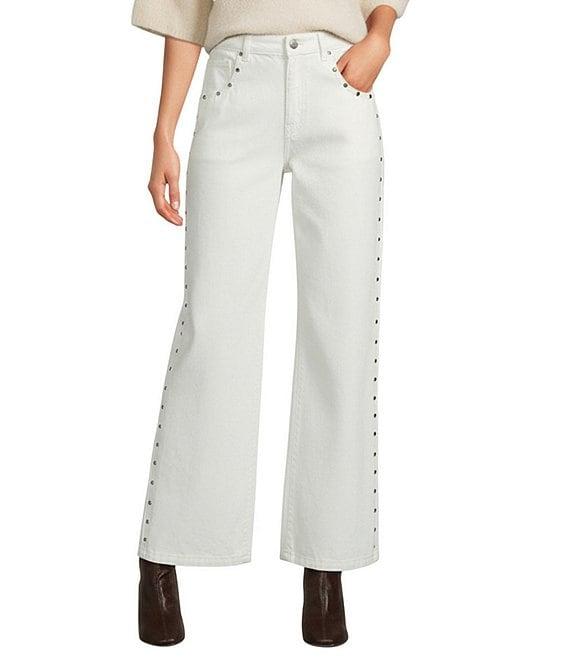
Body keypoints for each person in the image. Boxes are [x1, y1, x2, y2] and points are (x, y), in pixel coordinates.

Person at [131, 0, 409, 647]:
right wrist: (163, 131)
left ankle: (326, 564)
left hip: (338, 81)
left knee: (341, 335)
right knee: (213, 328)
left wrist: (381, 34)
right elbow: (184, 8)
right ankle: (163, 552)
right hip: (236, 82)